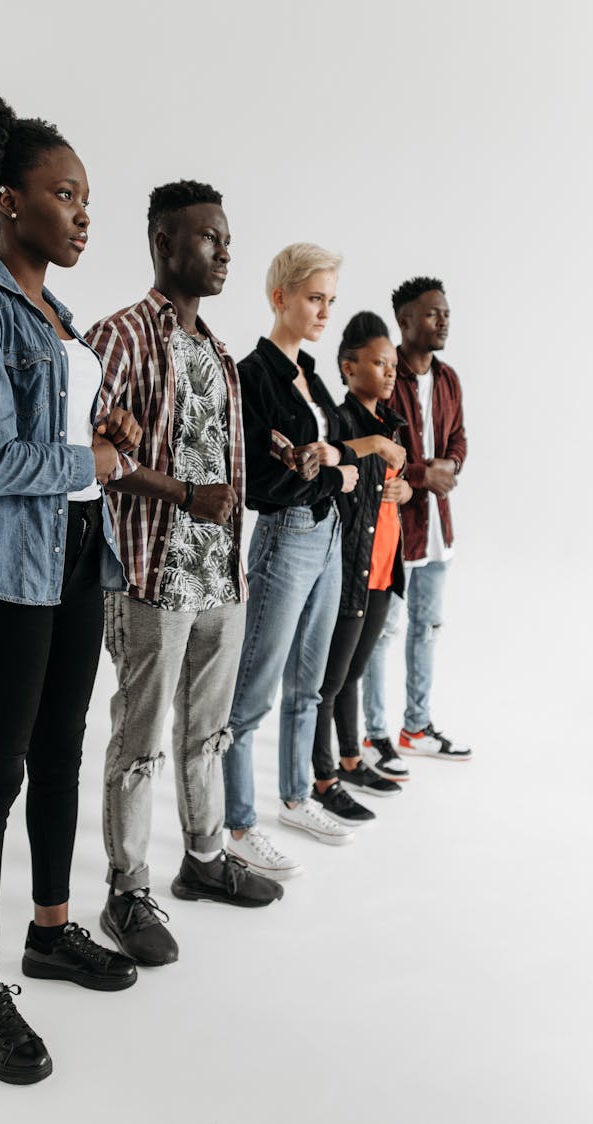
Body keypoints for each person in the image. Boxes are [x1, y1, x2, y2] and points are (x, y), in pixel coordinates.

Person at [0, 90, 149, 1084]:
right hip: (1, 565)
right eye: (65, 194)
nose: (83, 213)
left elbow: (68, 444)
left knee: (62, 744)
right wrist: (91, 462)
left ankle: (50, 931)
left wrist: (108, 446)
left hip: (71, 550)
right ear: (11, 201)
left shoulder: (56, 312)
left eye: (89, 197)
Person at [86, 181, 283, 970]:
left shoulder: (221, 356)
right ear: (165, 243)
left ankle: (203, 860)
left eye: (228, 239)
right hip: (148, 574)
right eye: (209, 238)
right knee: (137, 743)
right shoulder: (121, 335)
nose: (225, 250)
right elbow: (93, 455)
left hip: (218, 578)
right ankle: (126, 890)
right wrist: (183, 494)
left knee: (207, 732)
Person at [222, 243, 371, 881]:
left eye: (331, 300)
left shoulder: (311, 374)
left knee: (308, 682)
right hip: (285, 538)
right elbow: (260, 481)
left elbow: (335, 451)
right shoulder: (253, 373)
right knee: (250, 692)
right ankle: (238, 826)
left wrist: (333, 466)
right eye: (315, 298)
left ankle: (295, 797)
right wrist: (335, 477)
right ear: (279, 296)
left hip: (328, 539)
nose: (323, 311)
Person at [361, 278, 472, 763]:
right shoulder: (387, 376)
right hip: (394, 529)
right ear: (405, 321)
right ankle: (373, 734)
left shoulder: (447, 379)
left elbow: (460, 439)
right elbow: (377, 447)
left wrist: (451, 468)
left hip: (437, 533)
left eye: (445, 312)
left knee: (427, 628)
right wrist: (430, 474)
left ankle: (416, 726)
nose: (443, 320)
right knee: (383, 633)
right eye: (432, 314)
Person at [310, 312, 412, 822]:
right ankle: (323, 777)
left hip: (383, 571)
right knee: (329, 681)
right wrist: (373, 447)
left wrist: (408, 487)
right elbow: (328, 457)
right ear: (349, 368)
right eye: (379, 362)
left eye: (392, 363)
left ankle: (351, 758)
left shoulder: (393, 424)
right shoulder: (341, 420)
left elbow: (400, 486)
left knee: (355, 673)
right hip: (349, 568)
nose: (390, 372)